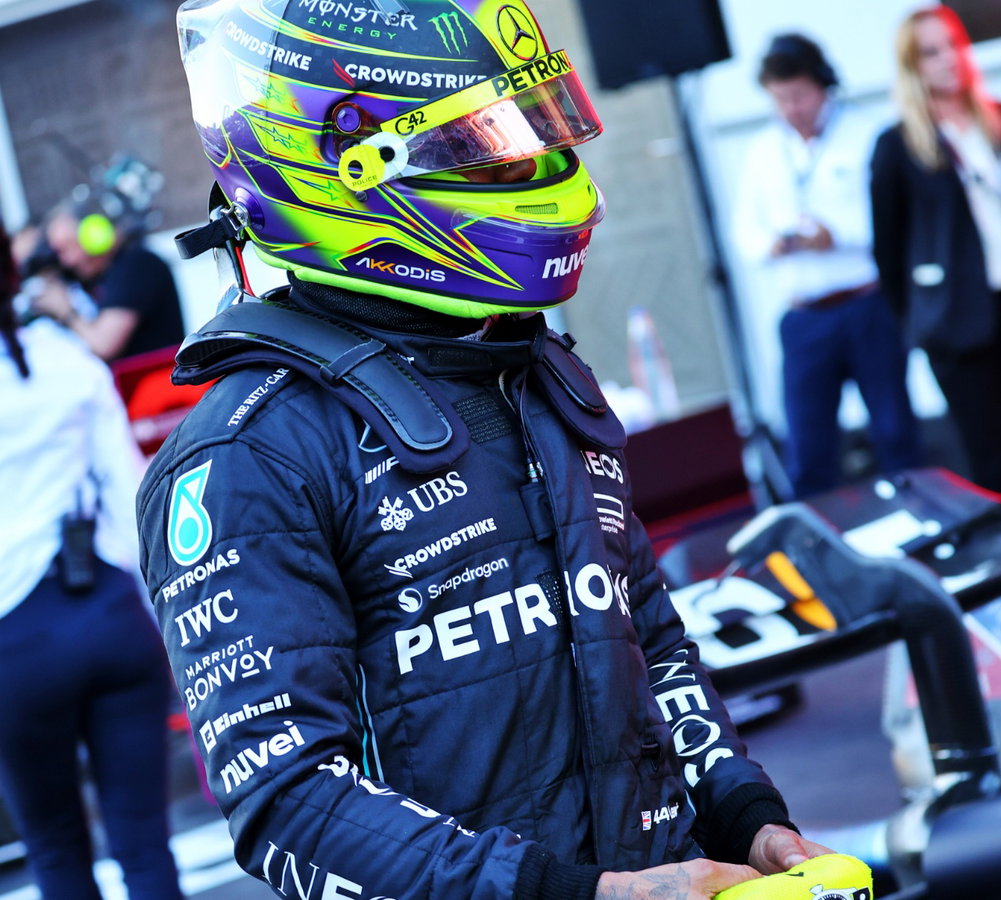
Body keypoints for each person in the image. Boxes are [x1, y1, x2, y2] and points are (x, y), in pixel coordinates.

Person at [139, 4, 828, 900]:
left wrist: (744, 814)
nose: (531, 166)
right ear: (341, 170)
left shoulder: (533, 366)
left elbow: (648, 638)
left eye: (532, 132)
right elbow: (289, 802)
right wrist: (578, 895)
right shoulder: (246, 455)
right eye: (483, 146)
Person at [0, 223, 184, 900]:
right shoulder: (66, 360)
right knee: (145, 847)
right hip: (110, 616)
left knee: (55, 853)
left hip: (13, 646)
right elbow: (134, 498)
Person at [870, 6, 1001, 514]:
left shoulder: (999, 120)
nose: (948, 59)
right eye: (931, 52)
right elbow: (888, 250)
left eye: (953, 45)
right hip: (956, 318)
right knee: (990, 457)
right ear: (913, 66)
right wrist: (919, 320)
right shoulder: (898, 147)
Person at [733, 34, 922, 499]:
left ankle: (920, 516)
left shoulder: (866, 134)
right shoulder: (764, 150)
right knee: (808, 446)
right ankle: (815, 537)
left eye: (799, 95)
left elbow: (893, 220)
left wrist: (837, 237)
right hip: (804, 316)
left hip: (865, 305)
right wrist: (772, 245)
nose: (791, 109)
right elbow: (744, 230)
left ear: (822, 86)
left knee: (895, 431)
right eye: (781, 99)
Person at [27, 199, 185, 361]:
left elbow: (104, 345)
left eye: (66, 249)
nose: (67, 262)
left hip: (159, 375)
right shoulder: (101, 275)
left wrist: (66, 312)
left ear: (95, 236)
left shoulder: (137, 265)